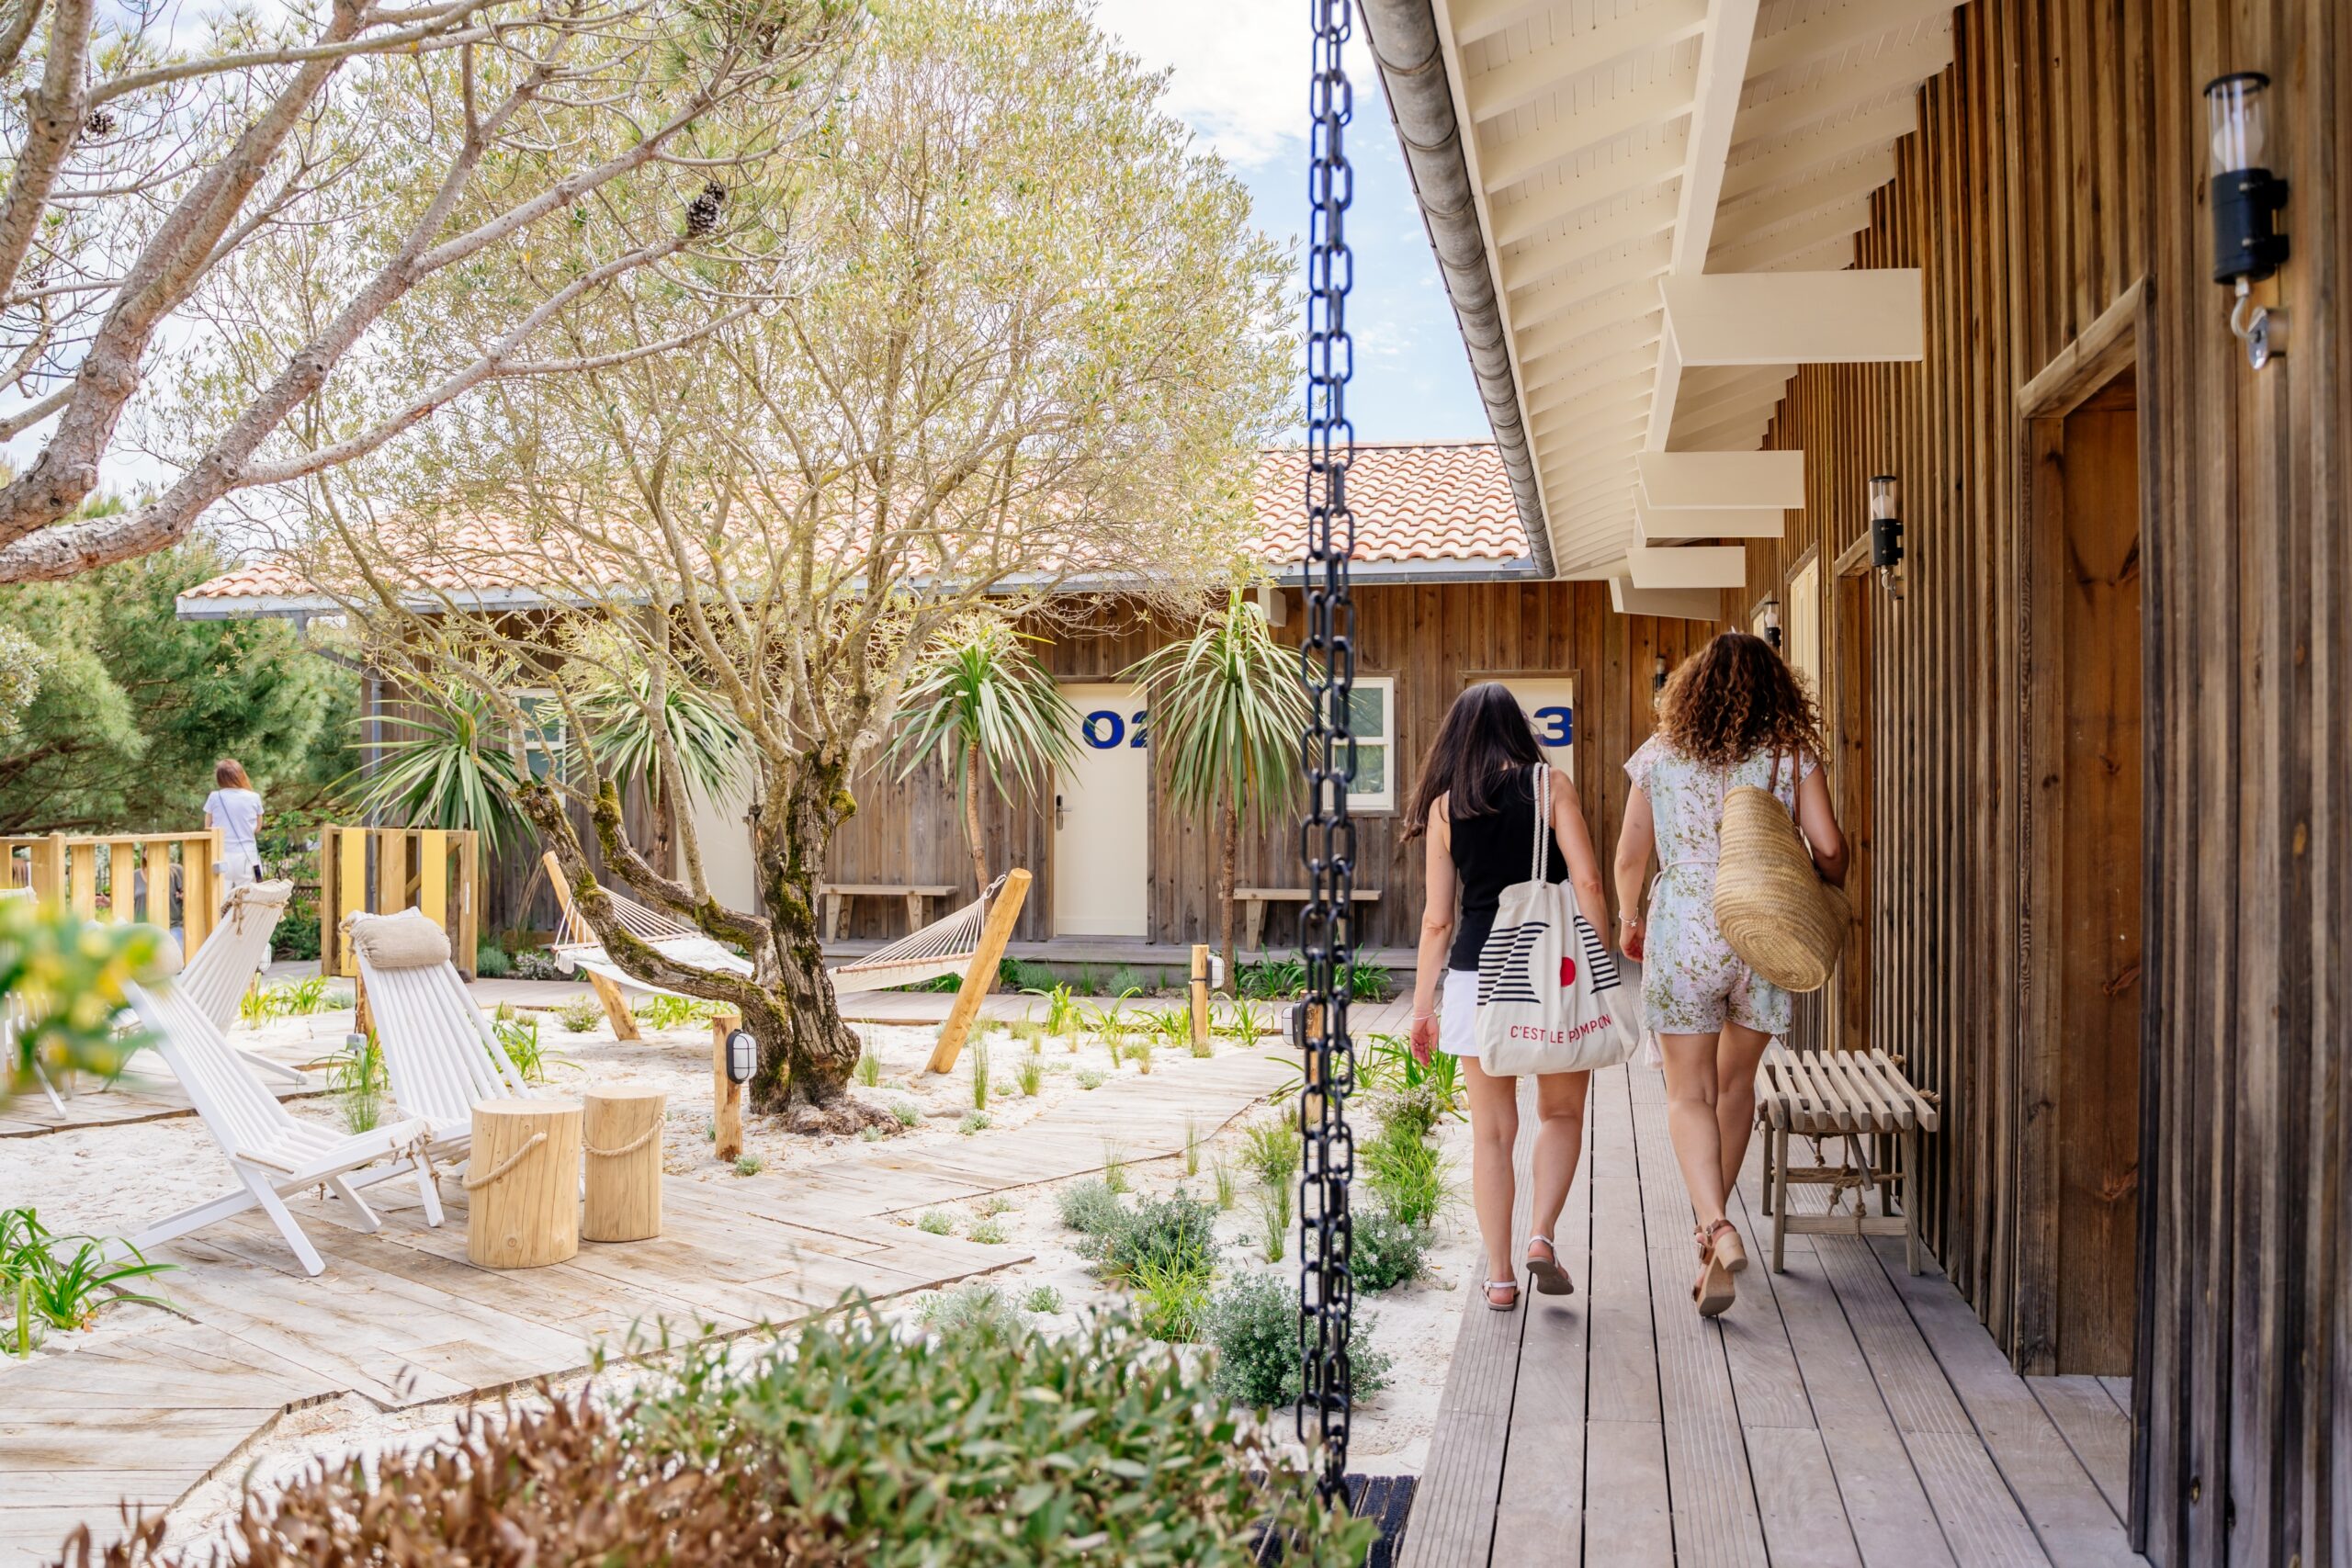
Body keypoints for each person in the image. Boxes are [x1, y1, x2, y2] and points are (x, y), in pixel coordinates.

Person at [1613, 632, 1846, 1317]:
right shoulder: (1788, 751)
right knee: (1736, 1084)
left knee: (1688, 1092)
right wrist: (1829, 883)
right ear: (1777, 689)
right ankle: (1712, 1236)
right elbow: (1828, 844)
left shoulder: (1659, 755)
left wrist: (1630, 917)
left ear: (1691, 689)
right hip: (1764, 924)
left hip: (1686, 919)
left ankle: (1715, 1223)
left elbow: (1631, 853)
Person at [1407, 682, 1612, 1312]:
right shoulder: (1553, 786)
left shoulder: (1446, 807)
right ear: (1519, 730)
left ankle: (1499, 1278)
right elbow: (1586, 879)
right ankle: (1541, 1236)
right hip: (1554, 974)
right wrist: (1598, 962)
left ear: (1458, 736)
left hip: (1477, 978)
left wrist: (1422, 1008)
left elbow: (1437, 920)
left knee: (1492, 1133)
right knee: (1561, 1115)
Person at [203, 759, 265, 897]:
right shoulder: (254, 797)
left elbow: (208, 827)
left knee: (221, 901)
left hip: (221, 855)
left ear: (220, 777)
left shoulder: (214, 797)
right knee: (246, 899)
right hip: (246, 856)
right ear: (240, 775)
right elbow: (257, 828)